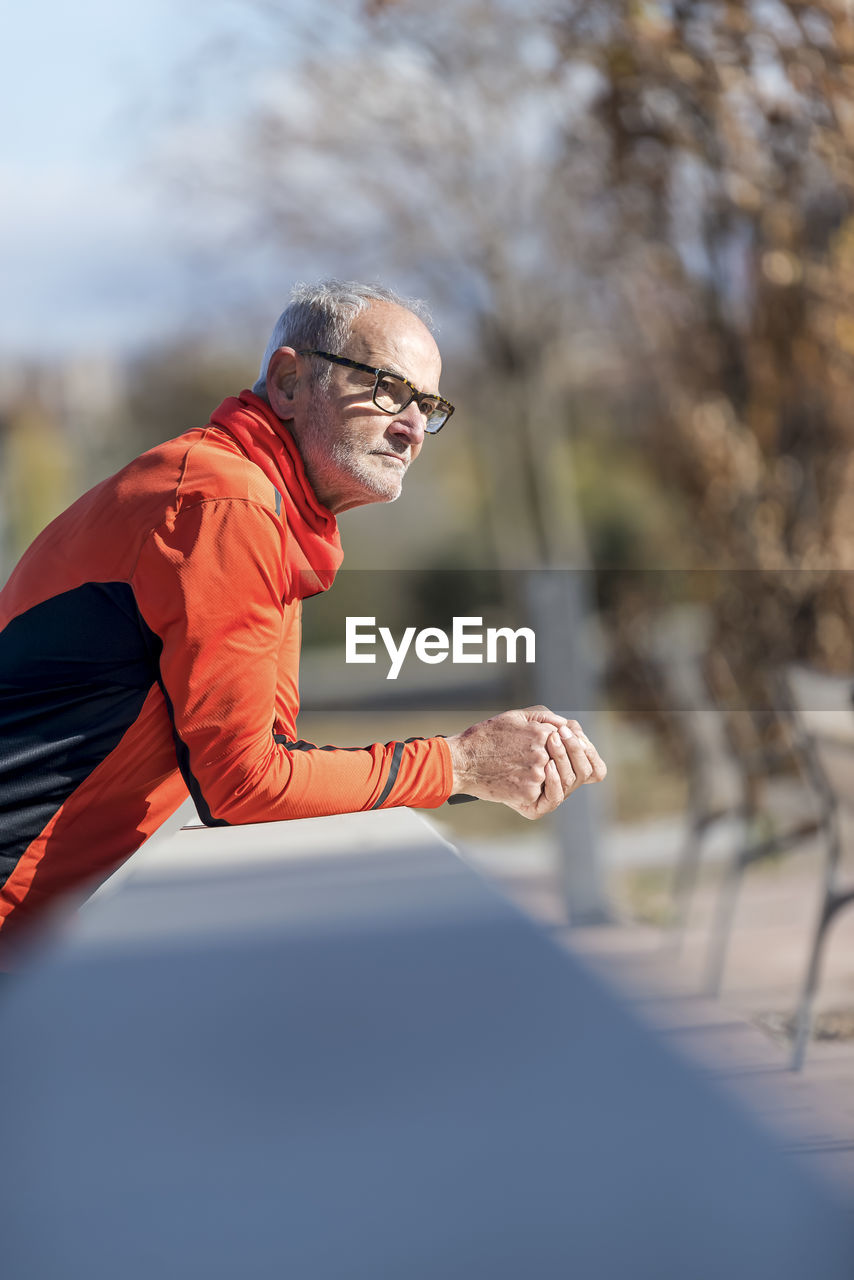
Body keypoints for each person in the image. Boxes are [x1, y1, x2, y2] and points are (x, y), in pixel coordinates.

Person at [0, 280, 606, 962]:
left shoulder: (263, 505)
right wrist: (462, 765)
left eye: (427, 405)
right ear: (289, 381)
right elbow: (246, 783)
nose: (411, 427)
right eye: (387, 389)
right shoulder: (226, 503)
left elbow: (273, 759)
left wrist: (473, 774)